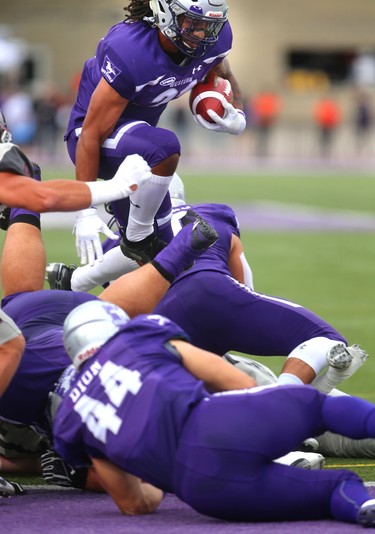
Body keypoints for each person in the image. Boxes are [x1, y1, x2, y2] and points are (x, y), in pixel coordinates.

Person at [52, 298, 375, 526]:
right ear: (114, 325)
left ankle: (364, 506)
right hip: (216, 422)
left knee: (337, 485)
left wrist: (162, 472)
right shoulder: (137, 337)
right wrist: (270, 421)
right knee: (316, 406)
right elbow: (233, 380)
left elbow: (134, 504)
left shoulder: (70, 418)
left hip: (203, 489)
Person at [65, 0, 246, 266]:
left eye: (209, 26)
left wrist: (239, 115)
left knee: (163, 255)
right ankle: (137, 236)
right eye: (193, 23)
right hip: (93, 139)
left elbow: (224, 70)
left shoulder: (212, 41)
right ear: (166, 15)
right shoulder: (132, 50)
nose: (201, 34)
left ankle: (75, 281)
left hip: (139, 146)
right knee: (165, 147)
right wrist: (85, 210)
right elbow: (91, 134)